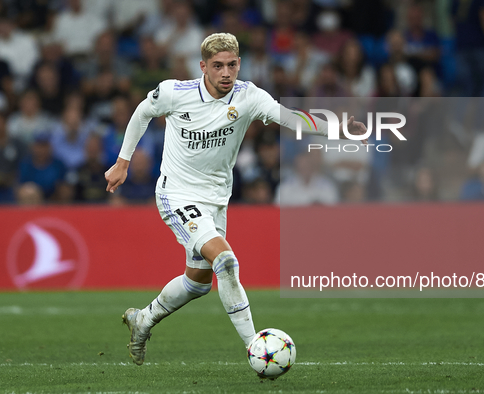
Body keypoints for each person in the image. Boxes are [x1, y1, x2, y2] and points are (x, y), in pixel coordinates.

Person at [104, 32, 366, 366]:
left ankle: (144, 319)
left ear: (239, 63)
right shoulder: (175, 92)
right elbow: (143, 111)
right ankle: (257, 348)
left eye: (231, 65)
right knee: (226, 262)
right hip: (176, 193)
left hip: (216, 199)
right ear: (203, 67)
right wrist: (123, 161)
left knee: (198, 283)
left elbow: (289, 116)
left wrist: (335, 127)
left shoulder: (248, 96)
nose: (226, 73)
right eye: (217, 66)